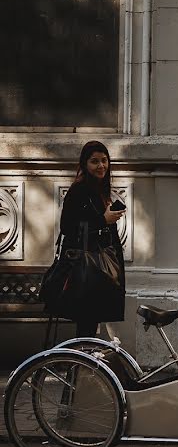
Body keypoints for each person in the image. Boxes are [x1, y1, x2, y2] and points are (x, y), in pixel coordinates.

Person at [54, 141, 126, 337]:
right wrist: (103, 219)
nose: (101, 166)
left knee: (90, 321)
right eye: (95, 161)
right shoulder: (79, 190)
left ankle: (84, 363)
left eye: (104, 160)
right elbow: (68, 227)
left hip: (98, 269)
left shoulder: (99, 190)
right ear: (85, 164)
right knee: (86, 322)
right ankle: (81, 364)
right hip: (86, 268)